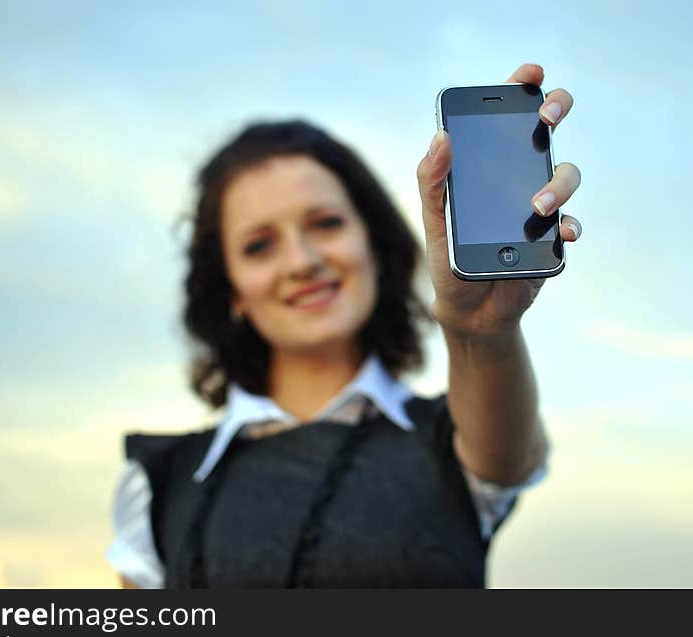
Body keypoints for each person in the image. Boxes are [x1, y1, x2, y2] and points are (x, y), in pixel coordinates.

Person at [106, 63, 582, 588]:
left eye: (326, 223)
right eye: (259, 245)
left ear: (373, 245)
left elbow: (508, 458)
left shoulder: (460, 440)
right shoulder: (158, 483)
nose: (301, 261)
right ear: (231, 290)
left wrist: (483, 330)